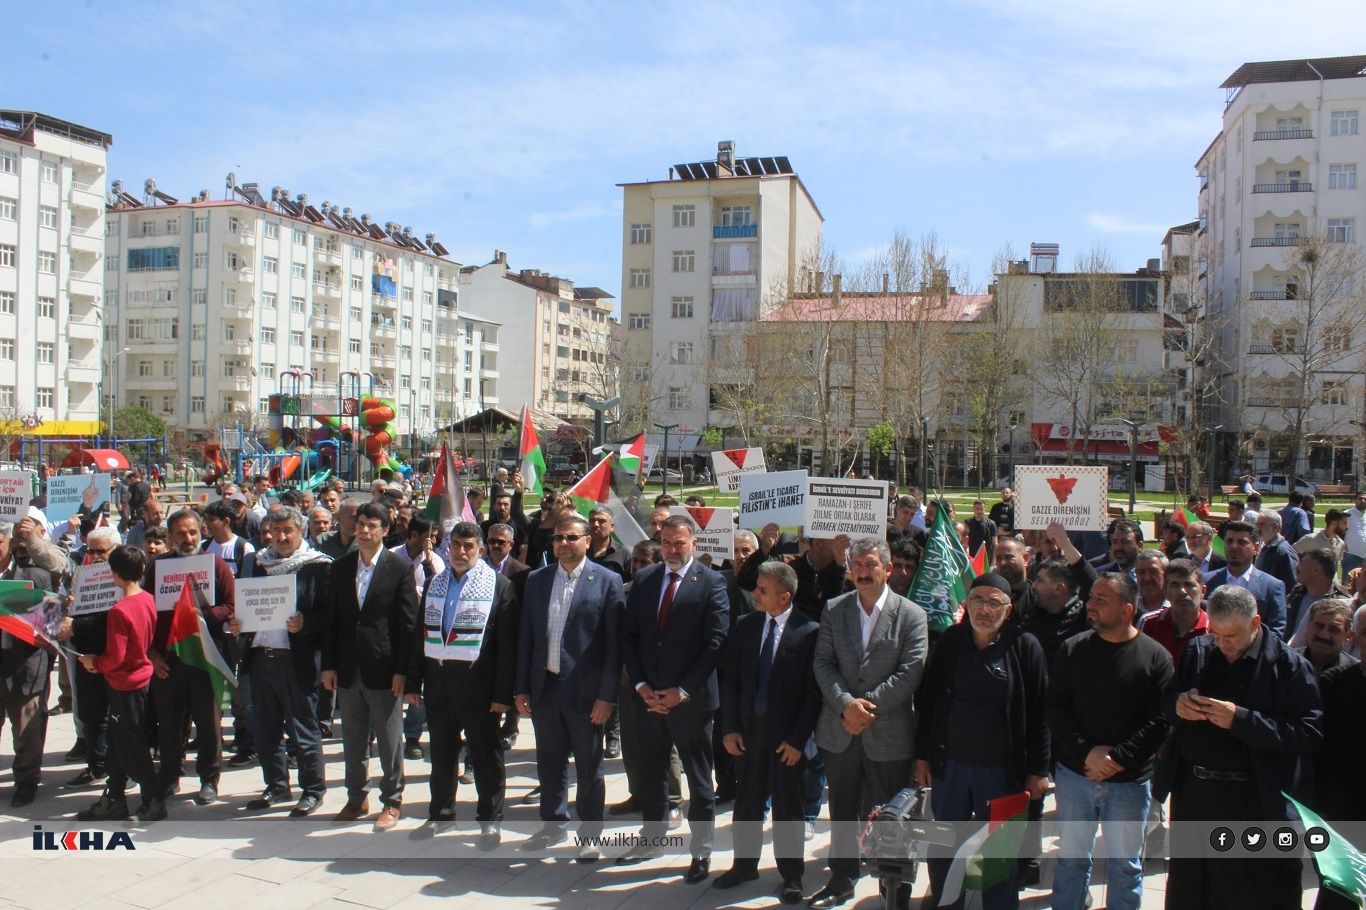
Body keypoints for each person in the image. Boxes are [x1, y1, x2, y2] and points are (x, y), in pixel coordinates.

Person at [1158, 585, 1323, 910]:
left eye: (1231, 636)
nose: (1223, 644)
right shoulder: (1199, 652)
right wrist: (1178, 706)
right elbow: (1165, 700)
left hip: (1254, 802)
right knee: (1192, 890)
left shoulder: (1289, 667)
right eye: (1216, 634)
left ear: (1255, 623)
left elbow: (1307, 734)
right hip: (1196, 795)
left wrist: (1242, 720)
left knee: (1251, 893)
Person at [914, 574, 1048, 910]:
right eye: (978, 600)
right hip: (951, 768)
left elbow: (1041, 714)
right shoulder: (949, 642)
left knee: (997, 856)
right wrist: (922, 756)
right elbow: (928, 702)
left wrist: (1038, 770)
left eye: (994, 602)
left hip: (1002, 771)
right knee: (945, 844)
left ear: (1008, 608)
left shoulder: (1024, 646)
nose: (985, 610)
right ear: (966, 603)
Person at [810, 536, 928, 910]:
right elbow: (823, 663)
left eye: (870, 565)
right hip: (840, 730)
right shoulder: (834, 609)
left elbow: (911, 672)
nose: (862, 572)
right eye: (857, 565)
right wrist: (847, 706)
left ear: (888, 569)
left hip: (888, 734)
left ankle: (894, 886)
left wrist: (866, 709)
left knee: (890, 815)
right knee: (843, 809)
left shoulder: (912, 614)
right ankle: (843, 876)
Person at [1047, 572, 1173, 910]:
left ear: (1126, 610)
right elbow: (1056, 709)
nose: (1091, 605)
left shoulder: (1156, 657)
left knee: (1125, 866)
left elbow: (1161, 721)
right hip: (1076, 776)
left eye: (1102, 600)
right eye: (1091, 598)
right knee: (1071, 861)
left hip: (1129, 783)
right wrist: (1087, 753)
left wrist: (1117, 759)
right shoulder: (1073, 650)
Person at [617, 516, 730, 880]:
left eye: (679, 543)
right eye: (666, 542)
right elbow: (630, 637)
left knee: (698, 778)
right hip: (648, 699)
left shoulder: (712, 582)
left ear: (693, 543)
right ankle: (653, 836)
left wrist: (681, 691)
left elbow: (716, 643)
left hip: (691, 702)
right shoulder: (647, 579)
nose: (672, 550)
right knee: (651, 772)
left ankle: (701, 850)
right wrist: (641, 686)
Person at [515, 514, 624, 860]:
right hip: (545, 688)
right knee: (549, 762)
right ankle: (552, 824)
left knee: (590, 766)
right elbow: (527, 639)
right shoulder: (537, 579)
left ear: (587, 540)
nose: (563, 543)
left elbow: (613, 647)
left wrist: (607, 696)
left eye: (571, 537)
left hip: (587, 694)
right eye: (558, 537)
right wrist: (521, 687)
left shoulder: (607, 581)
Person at [715, 561, 820, 903]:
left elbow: (812, 694)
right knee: (747, 802)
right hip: (749, 734)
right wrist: (729, 728)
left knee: (788, 808)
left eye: (763, 590)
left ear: (784, 596)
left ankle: (791, 875)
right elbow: (730, 682)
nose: (755, 594)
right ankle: (744, 864)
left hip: (787, 740)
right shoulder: (745, 626)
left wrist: (798, 739)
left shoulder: (809, 631)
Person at [412, 520, 518, 847]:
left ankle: (490, 820)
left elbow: (507, 645)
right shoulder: (434, 583)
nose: (460, 551)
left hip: (479, 685)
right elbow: (421, 633)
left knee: (485, 755)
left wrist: (503, 694)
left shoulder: (499, 585)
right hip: (440, 681)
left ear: (480, 550)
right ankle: (441, 814)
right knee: (442, 754)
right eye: (456, 545)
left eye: (468, 546)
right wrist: (415, 682)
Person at [322, 501, 421, 830]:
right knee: (352, 737)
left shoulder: (398, 568)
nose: (363, 530)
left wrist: (403, 671)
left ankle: (392, 800)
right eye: (360, 524)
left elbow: (408, 626)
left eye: (371, 526)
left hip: (385, 670)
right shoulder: (341, 567)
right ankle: (355, 797)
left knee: (390, 738)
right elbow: (332, 621)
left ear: (384, 530)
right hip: (349, 670)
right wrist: (330, 664)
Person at [232, 506, 331, 817]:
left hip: (296, 660)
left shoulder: (318, 567)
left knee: (302, 727)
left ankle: (313, 788)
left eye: (289, 530)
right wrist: (237, 624)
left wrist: (306, 623)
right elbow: (244, 605)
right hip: (260, 657)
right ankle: (276, 783)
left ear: (300, 531)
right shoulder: (256, 563)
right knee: (264, 728)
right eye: (277, 531)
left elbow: (329, 615)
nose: (283, 537)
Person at [148, 510, 237, 806]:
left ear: (201, 533)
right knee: (169, 723)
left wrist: (207, 614)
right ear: (170, 536)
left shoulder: (216, 566)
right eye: (180, 534)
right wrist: (151, 655)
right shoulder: (157, 567)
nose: (187, 539)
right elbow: (145, 613)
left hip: (205, 658)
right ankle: (170, 775)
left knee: (209, 724)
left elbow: (232, 605)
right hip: (168, 660)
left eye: (192, 533)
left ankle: (209, 779)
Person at [75, 545, 163, 822]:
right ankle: (114, 798)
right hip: (138, 680)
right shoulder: (148, 598)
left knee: (130, 746)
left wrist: (94, 662)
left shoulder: (120, 610)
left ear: (114, 574)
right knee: (117, 743)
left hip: (125, 684)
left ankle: (154, 799)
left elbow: (116, 656)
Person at [1312, 605, 1366, 910]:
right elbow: (1320, 752)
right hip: (1343, 813)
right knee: (1339, 894)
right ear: (1355, 638)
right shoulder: (1334, 684)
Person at [0, 521, 55, 807]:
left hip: (24, 665)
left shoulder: (36, 577)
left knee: (26, 732)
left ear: (8, 542)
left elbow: (52, 622)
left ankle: (26, 780)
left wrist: (46, 635)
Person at [1203, 520, 1287, 638]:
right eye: (1229, 541)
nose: (1234, 547)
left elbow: (1276, 632)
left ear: (1256, 547)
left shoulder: (1272, 586)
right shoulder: (1206, 581)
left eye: (1242, 542)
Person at [1138, 559, 1209, 668]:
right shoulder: (1149, 623)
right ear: (1165, 592)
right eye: (1175, 585)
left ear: (1203, 591)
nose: (1182, 591)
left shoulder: (1215, 628)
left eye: (1189, 584)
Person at [1286, 549, 1351, 650]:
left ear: (1316, 570)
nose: (1297, 567)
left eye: (1302, 563)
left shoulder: (1341, 604)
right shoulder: (1296, 594)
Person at [1299, 597, 1359, 676]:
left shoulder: (1357, 674)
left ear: (1348, 637)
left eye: (1333, 630)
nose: (1324, 635)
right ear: (1308, 627)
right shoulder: (1285, 664)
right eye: (1319, 626)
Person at [1254, 511, 1300, 593]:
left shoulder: (1284, 552)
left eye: (1261, 525)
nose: (1257, 529)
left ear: (1276, 528)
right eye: (1257, 524)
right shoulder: (1266, 547)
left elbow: (1292, 585)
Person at [585, 507, 628, 577]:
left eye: (601, 521)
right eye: (592, 521)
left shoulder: (623, 554)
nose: (595, 524)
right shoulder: (581, 550)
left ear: (612, 527)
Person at [1134, 549, 1168, 617]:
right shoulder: (1130, 612)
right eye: (1141, 572)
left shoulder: (1175, 609)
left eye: (1153, 572)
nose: (1147, 578)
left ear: (1166, 574)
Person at [1343, 492, 1366, 580]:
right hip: (1351, 556)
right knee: (1348, 585)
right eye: (1360, 498)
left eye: (1365, 499)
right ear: (1355, 500)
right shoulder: (1347, 514)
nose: (1363, 501)